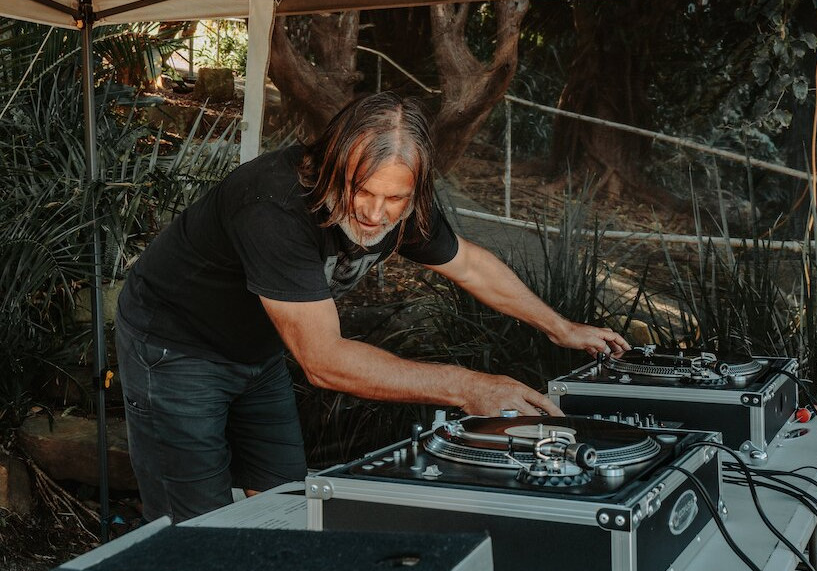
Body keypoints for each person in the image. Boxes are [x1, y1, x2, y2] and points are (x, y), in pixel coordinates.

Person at [115, 92, 629, 523]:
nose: (375, 214)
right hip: (175, 347)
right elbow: (324, 360)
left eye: (395, 199)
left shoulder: (404, 205)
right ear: (333, 165)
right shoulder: (273, 206)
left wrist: (561, 327)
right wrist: (469, 387)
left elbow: (469, 264)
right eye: (361, 191)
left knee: (284, 502)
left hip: (258, 350)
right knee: (197, 526)